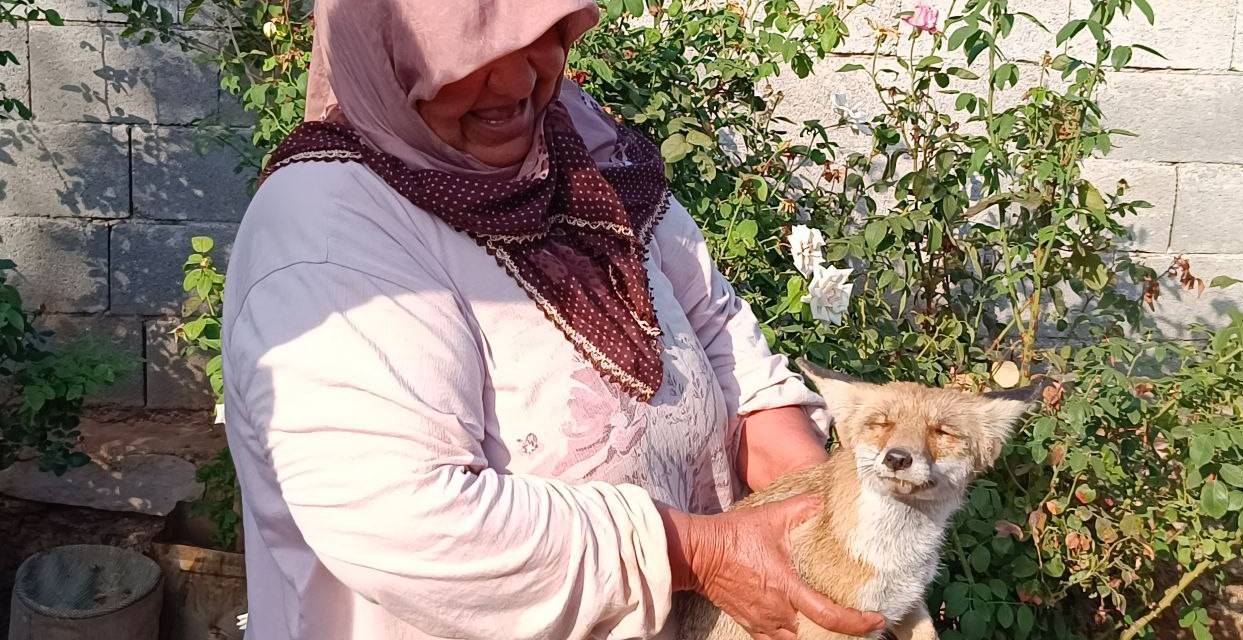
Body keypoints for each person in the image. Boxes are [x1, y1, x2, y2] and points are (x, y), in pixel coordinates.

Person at [221, 1, 886, 638]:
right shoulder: (327, 234)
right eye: (468, 56)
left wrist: (820, 523)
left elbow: (718, 337)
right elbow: (402, 518)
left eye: (537, 31)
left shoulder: (582, 150)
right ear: (385, 50)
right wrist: (698, 553)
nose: (516, 81)